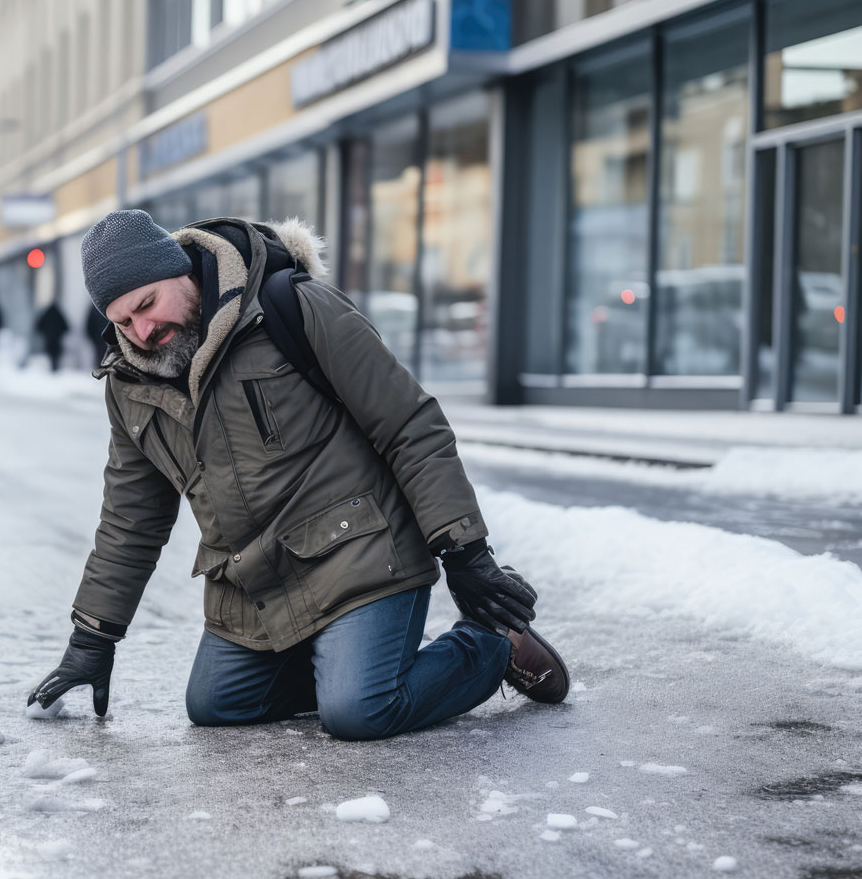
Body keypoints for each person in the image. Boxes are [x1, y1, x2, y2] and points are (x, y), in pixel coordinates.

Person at [29, 210, 569, 740]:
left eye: (147, 304)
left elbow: (409, 424)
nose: (142, 331)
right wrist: (92, 638)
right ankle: (342, 664)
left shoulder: (291, 306)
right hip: (256, 581)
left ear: (180, 270)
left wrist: (465, 553)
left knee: (359, 711)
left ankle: (490, 645)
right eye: (123, 321)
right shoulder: (130, 384)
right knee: (215, 704)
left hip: (360, 552)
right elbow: (131, 518)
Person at [34, 301, 69, 373]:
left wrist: (44, 332)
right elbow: (66, 327)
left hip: (49, 338)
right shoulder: (58, 314)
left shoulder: (47, 314)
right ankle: (55, 368)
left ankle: (52, 368)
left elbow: (38, 325)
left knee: (51, 353)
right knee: (55, 354)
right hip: (57, 338)